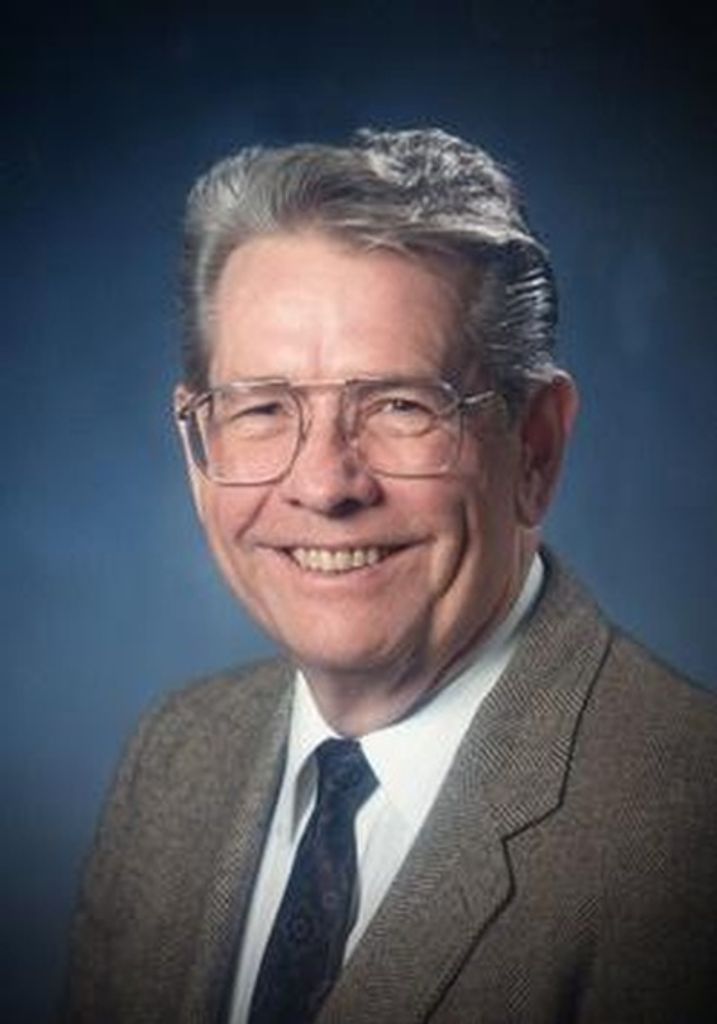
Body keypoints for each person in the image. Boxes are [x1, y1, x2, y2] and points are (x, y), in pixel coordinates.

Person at [63, 128, 717, 1023]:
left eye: (400, 406)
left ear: (534, 449)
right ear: (198, 448)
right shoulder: (175, 755)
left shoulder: (689, 834)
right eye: (262, 409)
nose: (324, 485)